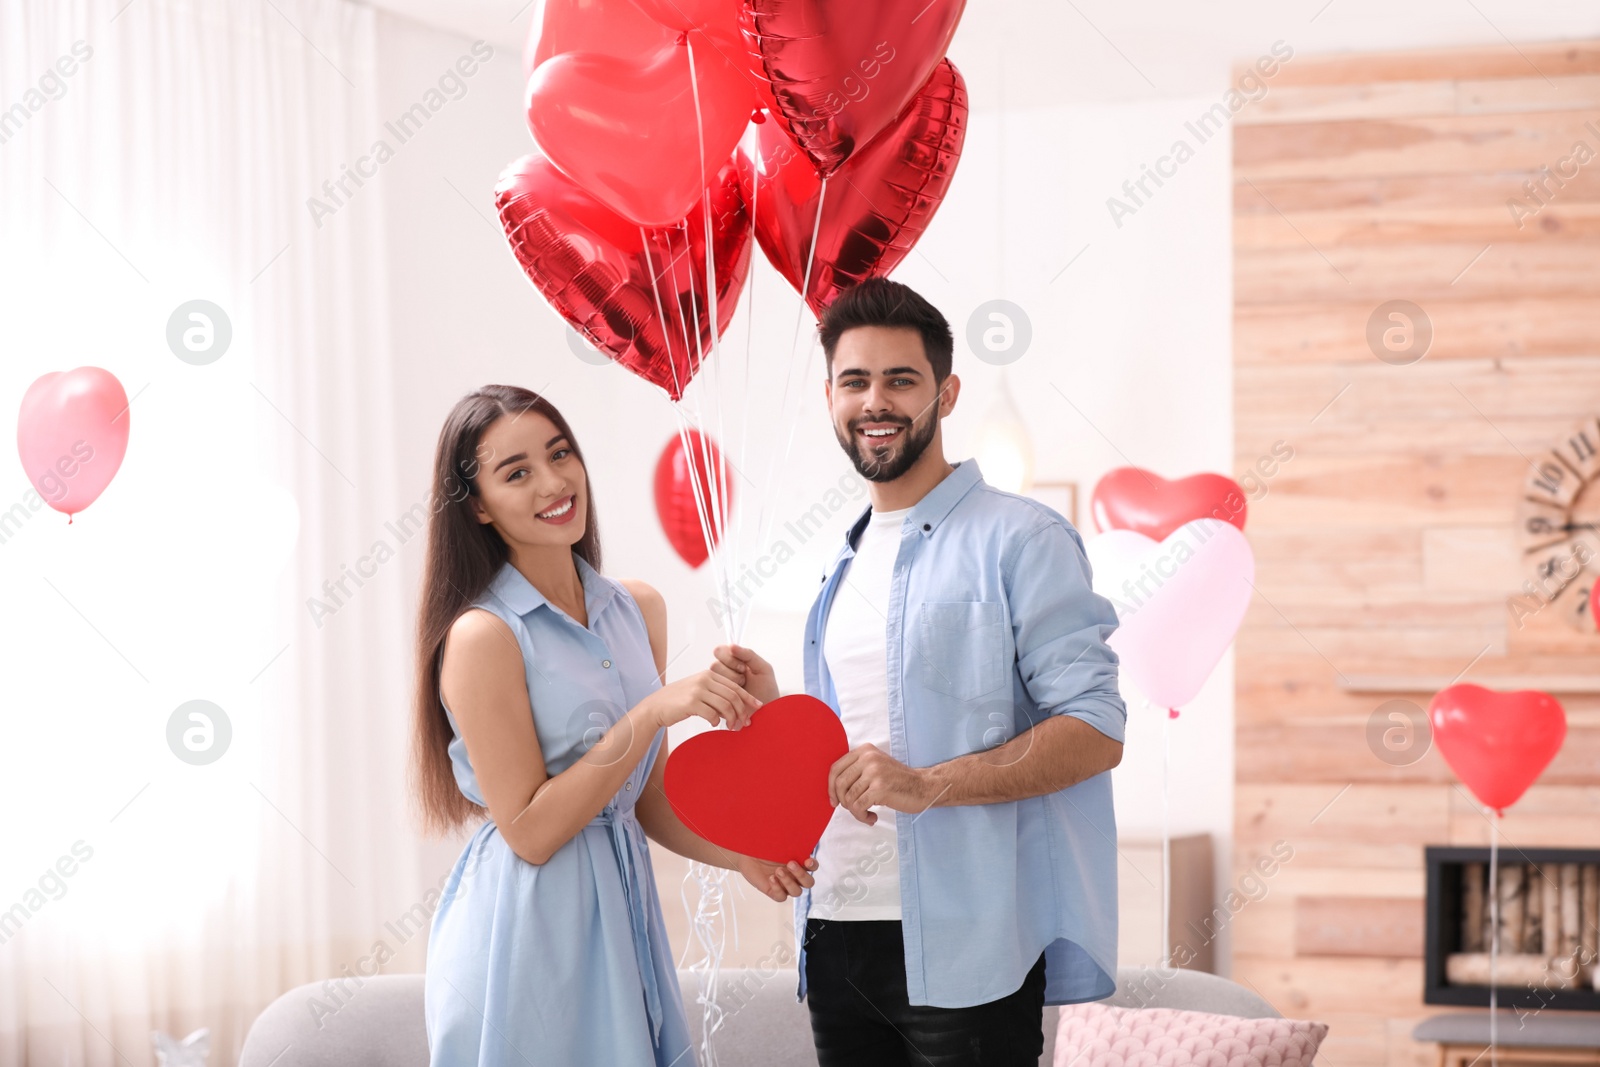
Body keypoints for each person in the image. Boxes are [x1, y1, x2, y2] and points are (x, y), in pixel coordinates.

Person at [714, 279, 1127, 1067]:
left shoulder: (1024, 540)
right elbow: (860, 746)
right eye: (855, 380)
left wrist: (927, 784)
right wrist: (776, 719)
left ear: (946, 392)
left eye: (901, 379)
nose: (877, 401)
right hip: (835, 928)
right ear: (830, 396)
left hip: (971, 941)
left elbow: (1096, 729)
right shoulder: (841, 559)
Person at [411, 384, 817, 1066]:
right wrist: (652, 711)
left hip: (621, 913)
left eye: (559, 453)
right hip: (528, 925)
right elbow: (531, 831)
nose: (553, 481)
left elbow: (645, 798)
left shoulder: (637, 608)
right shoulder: (483, 636)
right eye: (516, 472)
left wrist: (741, 854)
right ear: (477, 505)